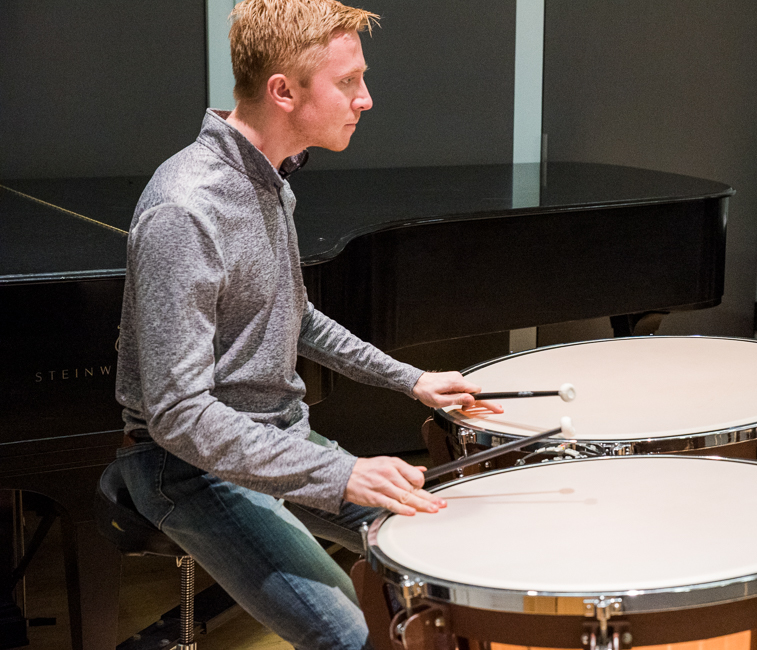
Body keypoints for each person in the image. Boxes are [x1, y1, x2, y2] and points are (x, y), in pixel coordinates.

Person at [113, 1, 498, 647]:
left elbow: (297, 317)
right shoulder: (186, 208)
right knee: (358, 636)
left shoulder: (270, 182)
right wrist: (341, 474)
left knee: (443, 544)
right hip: (185, 467)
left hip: (277, 440)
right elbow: (177, 416)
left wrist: (412, 381)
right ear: (283, 91)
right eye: (347, 82)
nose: (366, 99)